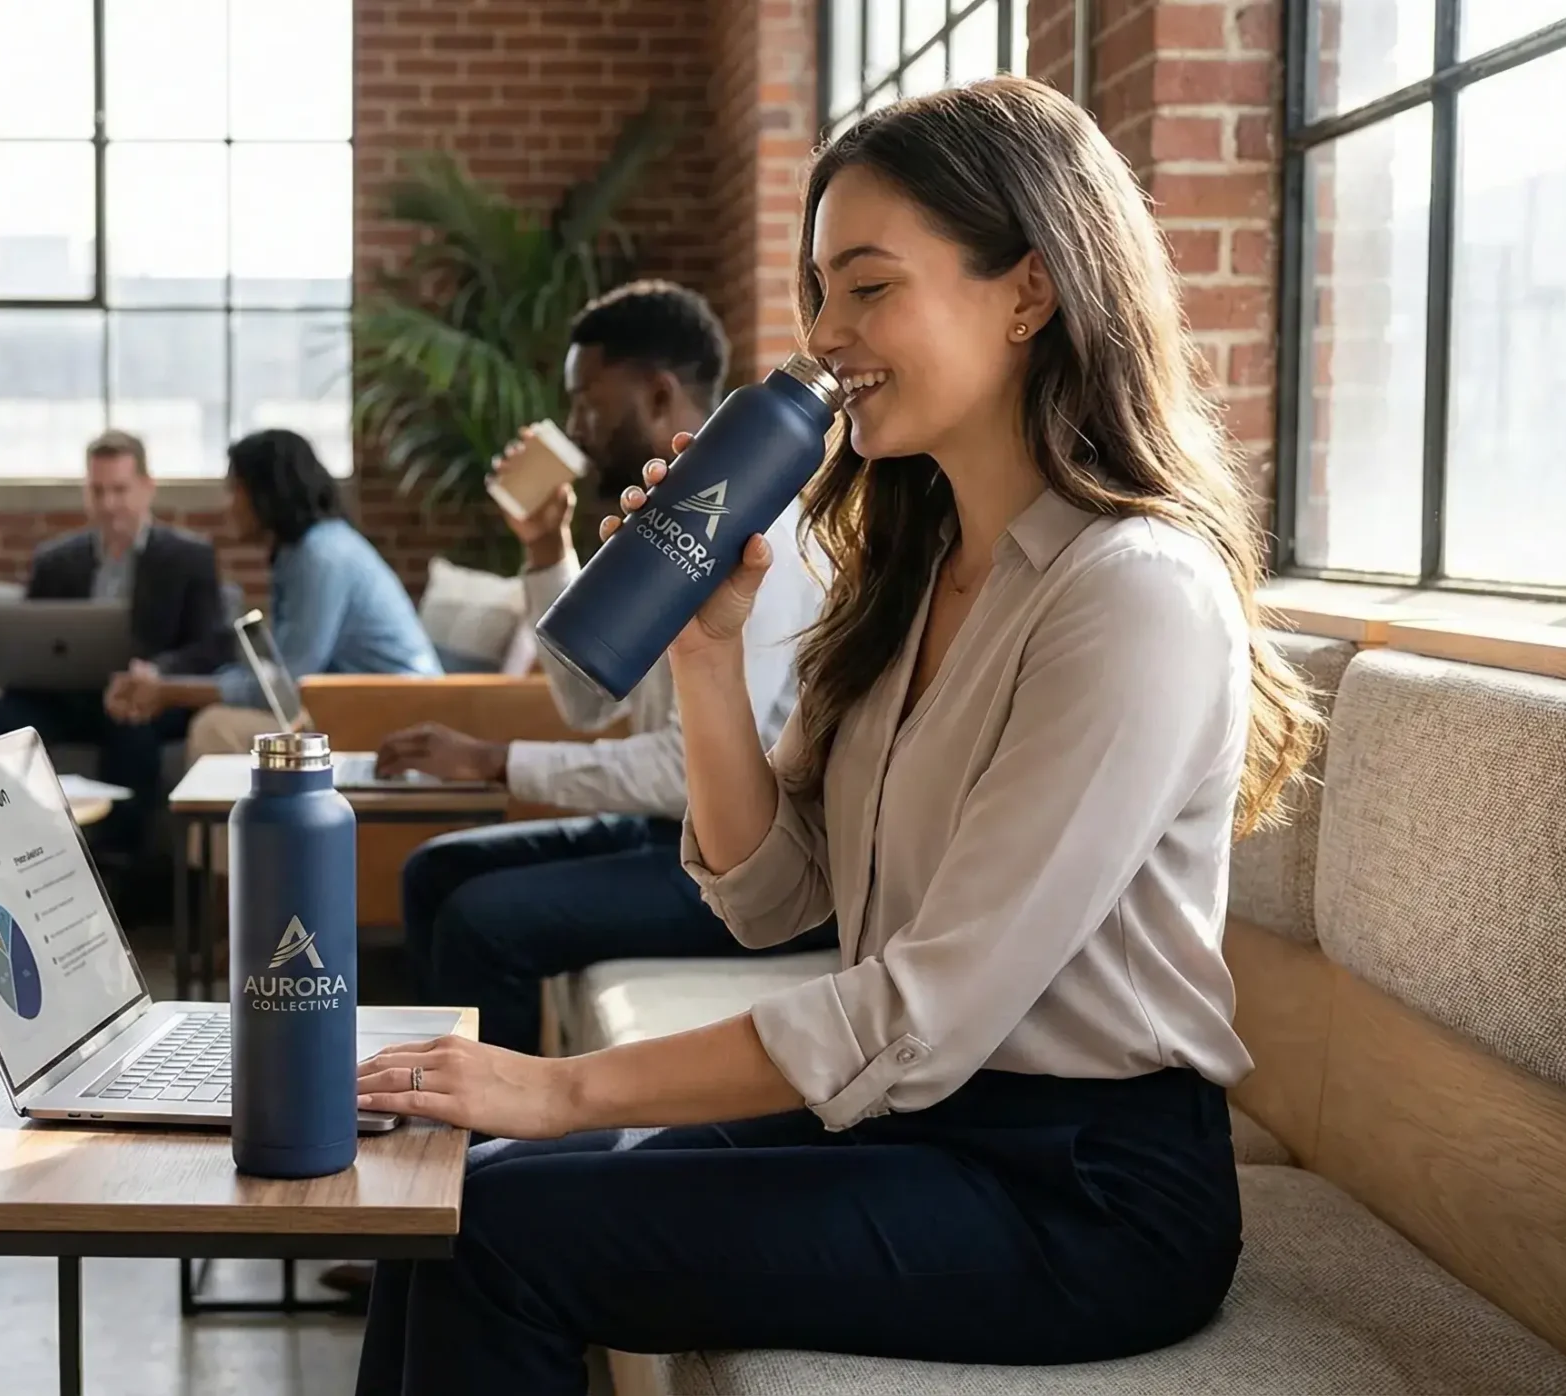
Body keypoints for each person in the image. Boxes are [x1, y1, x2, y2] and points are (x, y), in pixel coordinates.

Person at [347, 78, 1325, 1393]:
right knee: (462, 1204)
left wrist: (559, 1086)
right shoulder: (917, 571)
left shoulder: (1132, 592)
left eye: (870, 288)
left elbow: (928, 1010)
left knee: (505, 1231)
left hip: (1082, 1195)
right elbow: (772, 898)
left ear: (1028, 294)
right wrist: (706, 651)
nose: (825, 335)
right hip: (914, 1127)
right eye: (818, 293)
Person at [374, 281, 834, 1056]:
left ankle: (494, 1143)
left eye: (587, 402)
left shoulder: (763, 538)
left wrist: (495, 762)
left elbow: (682, 774)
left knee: (481, 921)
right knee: (432, 872)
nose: (577, 428)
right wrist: (543, 548)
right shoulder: (672, 519)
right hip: (662, 836)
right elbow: (589, 700)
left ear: (658, 393)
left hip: (748, 865)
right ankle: (434, 1127)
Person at [104, 429, 439, 760]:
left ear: (267, 493)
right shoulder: (298, 554)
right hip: (353, 708)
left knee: (216, 728)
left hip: (395, 718)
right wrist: (167, 686)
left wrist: (168, 693)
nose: (228, 506)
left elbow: (284, 689)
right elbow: (273, 677)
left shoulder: (321, 556)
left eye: (235, 491)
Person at [0, 430, 228, 856]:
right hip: (72, 694)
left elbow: (211, 646)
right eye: (98, 491)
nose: (109, 504)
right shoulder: (56, 560)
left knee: (133, 729)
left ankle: (119, 864)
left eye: (120, 490)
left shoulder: (189, 558)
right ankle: (29, 850)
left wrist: (158, 672)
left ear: (147, 488)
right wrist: (13, 674)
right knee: (3, 715)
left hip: (145, 697)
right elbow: (32, 637)